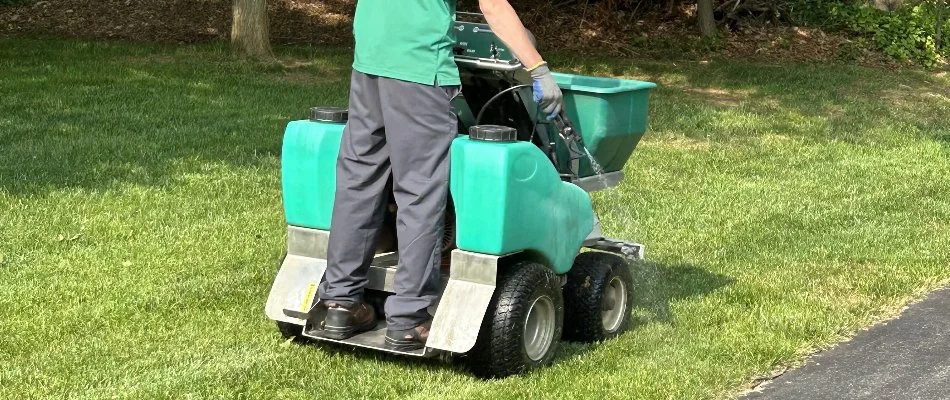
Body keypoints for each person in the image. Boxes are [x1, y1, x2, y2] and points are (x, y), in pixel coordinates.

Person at [316, 0, 565, 351]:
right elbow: (493, 6)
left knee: (359, 182)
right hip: (420, 71)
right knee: (419, 192)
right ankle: (409, 319)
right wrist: (538, 69)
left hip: (370, 64)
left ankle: (341, 304)